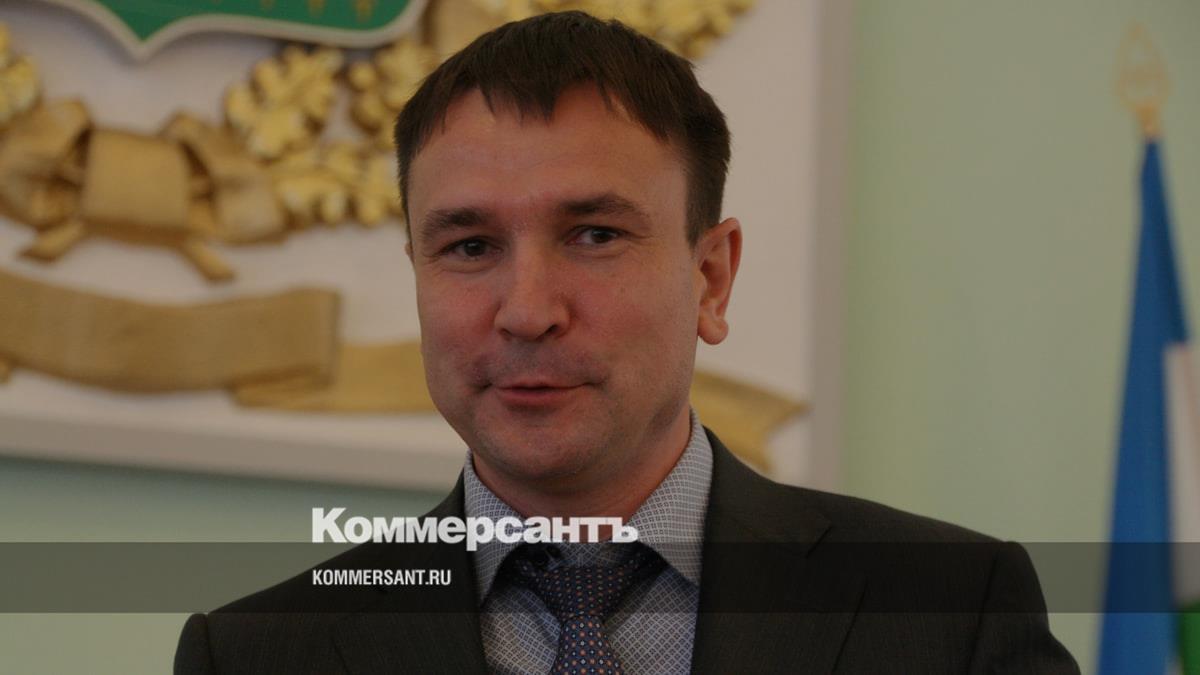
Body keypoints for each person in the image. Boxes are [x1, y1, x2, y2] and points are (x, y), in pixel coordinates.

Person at [175, 11, 1079, 674]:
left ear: (711, 278)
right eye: (470, 247)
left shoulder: (948, 612)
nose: (527, 310)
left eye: (595, 235)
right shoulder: (256, 654)